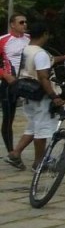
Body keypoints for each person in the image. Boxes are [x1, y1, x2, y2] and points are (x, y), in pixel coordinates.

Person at [5, 22, 63, 170]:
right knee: (41, 131)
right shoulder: (40, 53)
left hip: (27, 93)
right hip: (40, 96)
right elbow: (43, 77)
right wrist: (53, 96)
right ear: (44, 34)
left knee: (32, 127)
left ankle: (16, 153)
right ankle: (39, 163)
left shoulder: (27, 50)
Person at [0, 13, 30, 156]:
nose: (24, 25)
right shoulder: (3, 40)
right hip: (9, 83)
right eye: (21, 22)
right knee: (8, 117)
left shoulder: (30, 39)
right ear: (12, 24)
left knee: (36, 115)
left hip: (28, 82)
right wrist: (5, 75)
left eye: (25, 22)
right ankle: (11, 151)